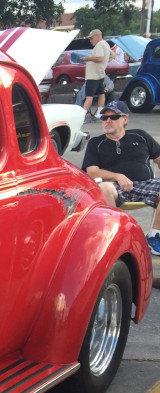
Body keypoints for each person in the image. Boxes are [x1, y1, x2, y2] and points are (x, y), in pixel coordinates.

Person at [82, 99, 160, 254]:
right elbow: (91, 171)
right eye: (105, 118)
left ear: (125, 120)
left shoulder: (140, 136)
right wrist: (117, 176)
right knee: (104, 187)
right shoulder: (96, 143)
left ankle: (155, 237)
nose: (108, 121)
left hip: (145, 184)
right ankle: (114, 237)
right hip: (114, 188)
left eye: (113, 117)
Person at [81, 29, 112, 121]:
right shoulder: (105, 44)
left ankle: (81, 115)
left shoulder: (99, 45)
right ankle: (99, 113)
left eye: (91, 38)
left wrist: (88, 58)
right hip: (100, 73)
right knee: (101, 93)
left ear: (97, 36)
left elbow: (100, 58)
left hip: (93, 75)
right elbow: (112, 55)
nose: (90, 41)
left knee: (89, 96)